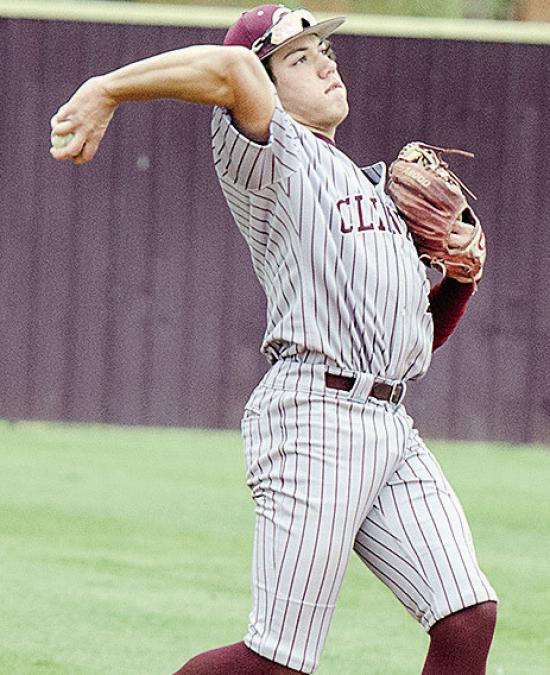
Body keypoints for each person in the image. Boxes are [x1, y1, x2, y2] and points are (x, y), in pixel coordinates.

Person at [50, 5, 498, 674]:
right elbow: (230, 67)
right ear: (266, 83)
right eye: (298, 57)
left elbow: (407, 344)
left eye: (325, 51)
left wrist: (459, 281)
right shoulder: (270, 152)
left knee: (467, 618)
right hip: (314, 416)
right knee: (277, 661)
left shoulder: (377, 191)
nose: (325, 62)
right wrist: (104, 88)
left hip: (387, 421)